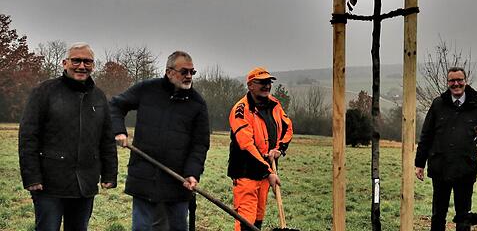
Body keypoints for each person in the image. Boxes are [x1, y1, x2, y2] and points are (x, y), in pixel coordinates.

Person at [18, 42, 118, 231]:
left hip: (85, 184)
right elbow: (28, 137)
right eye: (76, 60)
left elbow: (106, 139)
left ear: (93, 65)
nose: (81, 66)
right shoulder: (44, 91)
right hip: (49, 184)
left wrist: (109, 174)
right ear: (65, 63)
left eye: (87, 61)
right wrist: (32, 177)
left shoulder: (99, 96)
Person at [110, 51, 210, 231]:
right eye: (184, 72)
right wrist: (119, 131)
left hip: (178, 181)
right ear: (169, 71)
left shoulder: (197, 103)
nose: (189, 76)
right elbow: (116, 105)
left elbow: (200, 144)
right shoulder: (147, 89)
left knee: (177, 227)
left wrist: (192, 173)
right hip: (144, 175)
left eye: (192, 72)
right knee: (142, 228)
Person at [415, 67, 477, 231]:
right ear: (447, 82)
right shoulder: (438, 103)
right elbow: (426, 135)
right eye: (452, 80)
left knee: (463, 215)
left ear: (466, 81)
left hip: (465, 168)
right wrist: (419, 163)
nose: (456, 84)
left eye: (460, 80)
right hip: (440, 168)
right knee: (438, 213)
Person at [227, 66, 293, 231]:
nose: (267, 86)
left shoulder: (275, 104)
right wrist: (269, 171)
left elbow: (287, 127)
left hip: (265, 173)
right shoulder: (241, 110)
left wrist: (280, 148)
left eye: (268, 82)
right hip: (246, 173)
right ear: (250, 85)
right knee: (246, 223)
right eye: (261, 82)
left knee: (258, 220)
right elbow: (246, 146)